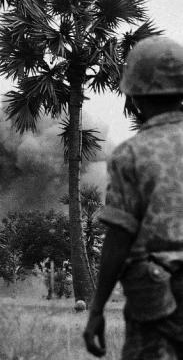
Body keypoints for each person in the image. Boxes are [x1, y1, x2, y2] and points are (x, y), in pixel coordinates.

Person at [84, 35, 183, 359]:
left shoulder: (132, 154)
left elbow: (119, 236)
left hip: (158, 295)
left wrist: (97, 308)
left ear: (134, 95)